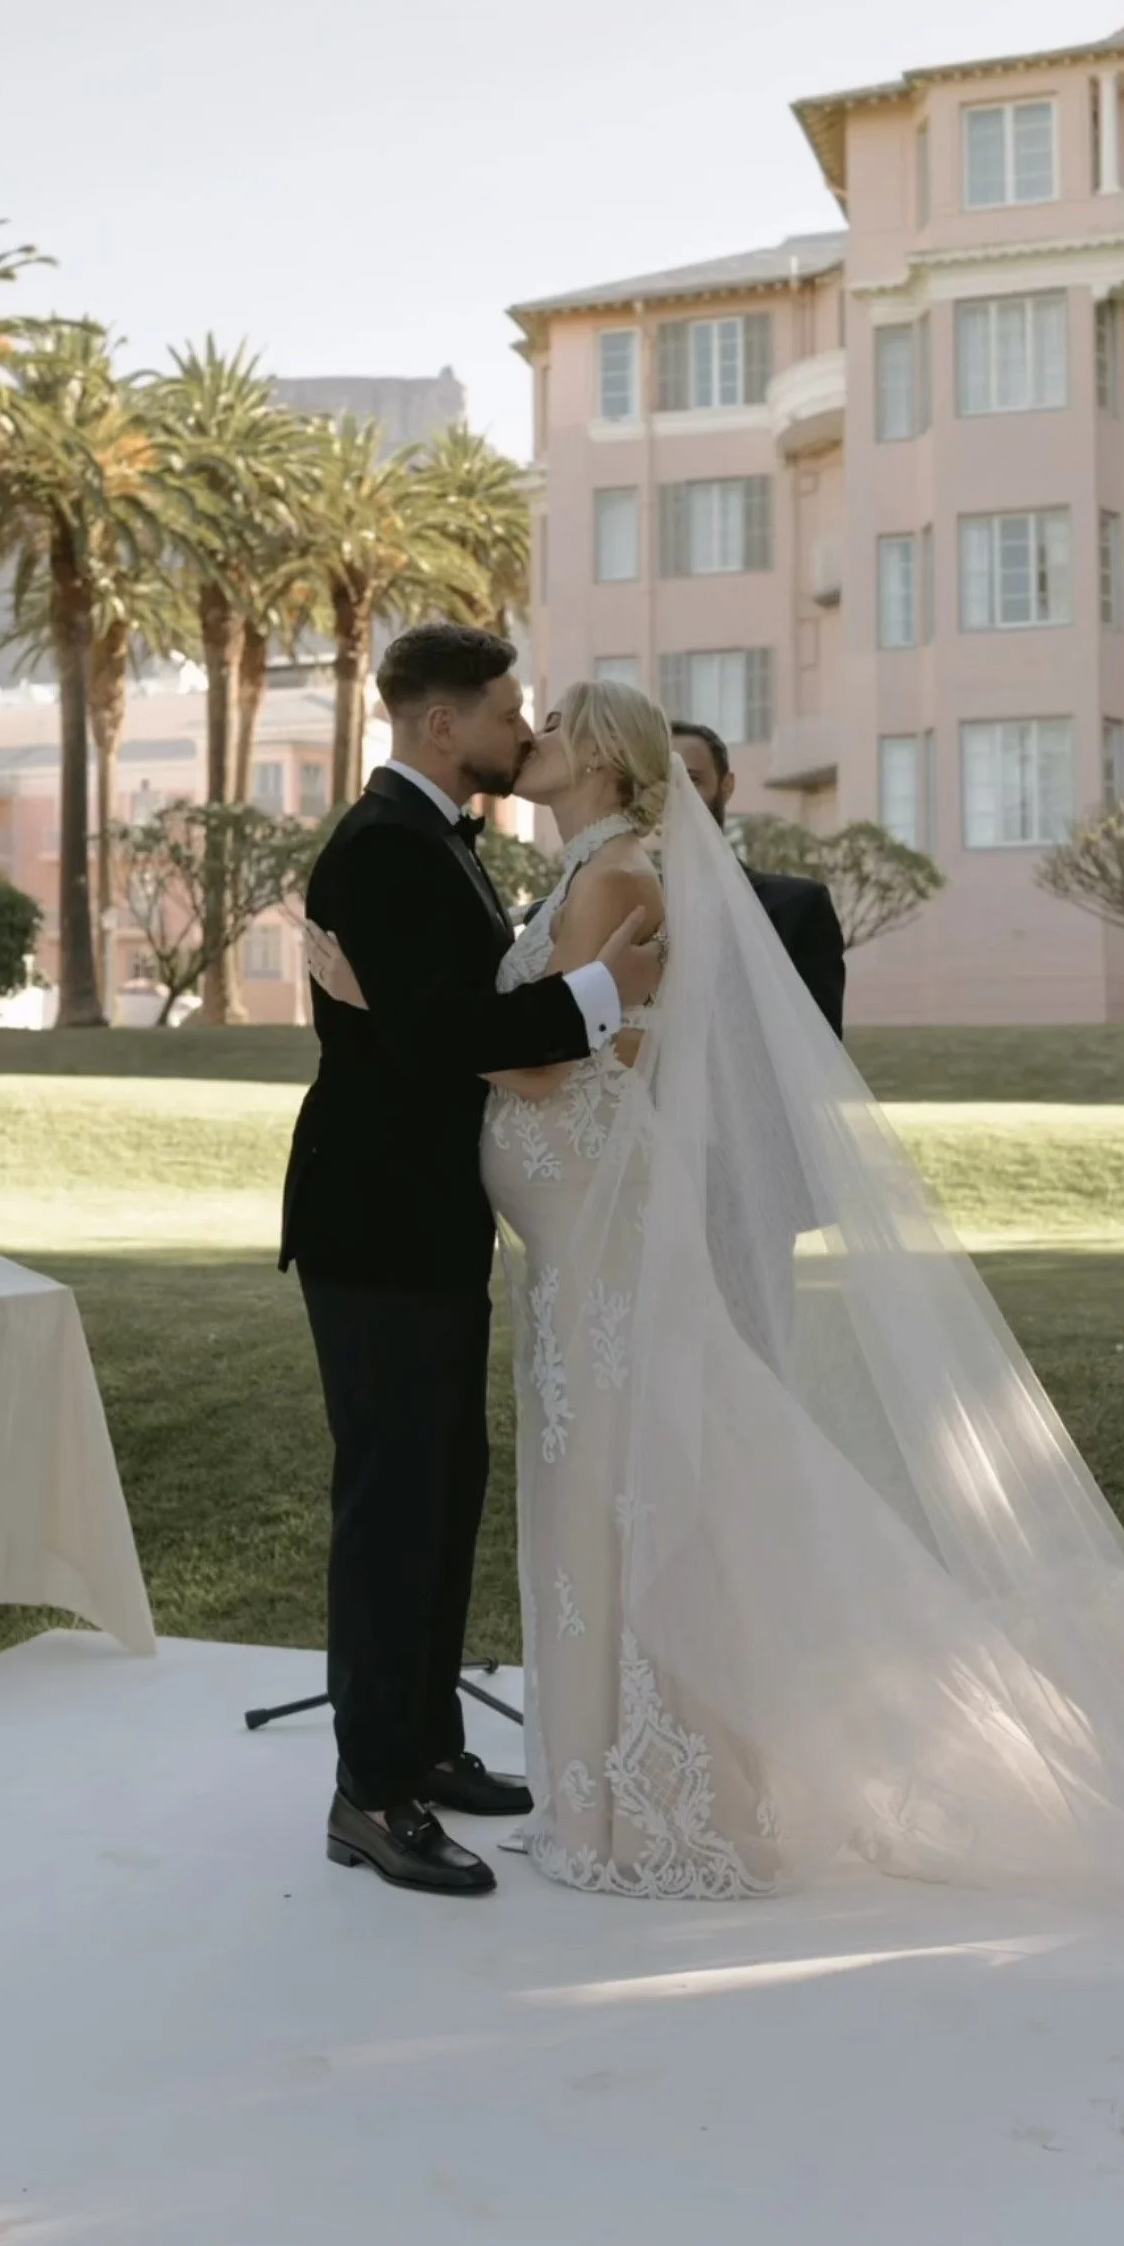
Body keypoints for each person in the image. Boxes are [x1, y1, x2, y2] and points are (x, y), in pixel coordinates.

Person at [309, 678, 1124, 1918]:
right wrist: (444, 1018)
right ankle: (604, 1779)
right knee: (618, 1495)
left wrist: (394, 1013)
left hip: (598, 1244)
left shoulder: (617, 876)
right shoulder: (590, 863)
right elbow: (570, 1035)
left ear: (609, 762)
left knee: (639, 1493)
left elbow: (541, 1063)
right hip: (573, 1250)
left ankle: (664, 1792)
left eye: (558, 727)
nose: (533, 738)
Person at [283, 625, 662, 1898]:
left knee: (443, 1494)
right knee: (394, 1511)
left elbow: (423, 1016)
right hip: (378, 1232)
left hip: (428, 1229)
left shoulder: (434, 836)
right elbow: (453, 1035)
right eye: (509, 709)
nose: (524, 727)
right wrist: (608, 993)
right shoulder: (387, 845)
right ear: (443, 723)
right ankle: (371, 1792)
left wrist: (391, 1011)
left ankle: (430, 1747)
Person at [671, 719, 846, 1037]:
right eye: (659, 783)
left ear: (727, 786)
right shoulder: (623, 903)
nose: (675, 795)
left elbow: (820, 1047)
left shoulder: (799, 907)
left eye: (691, 779)